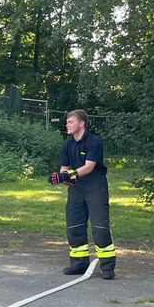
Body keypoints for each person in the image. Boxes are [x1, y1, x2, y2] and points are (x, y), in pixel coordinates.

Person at [50, 108, 116, 280]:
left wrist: (68, 175)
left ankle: (107, 267)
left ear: (81, 123)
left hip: (95, 187)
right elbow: (64, 169)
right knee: (74, 227)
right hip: (76, 189)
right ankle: (78, 264)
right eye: (67, 122)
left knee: (99, 228)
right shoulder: (67, 145)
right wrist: (61, 178)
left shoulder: (94, 141)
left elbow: (89, 167)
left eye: (70, 122)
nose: (67, 125)